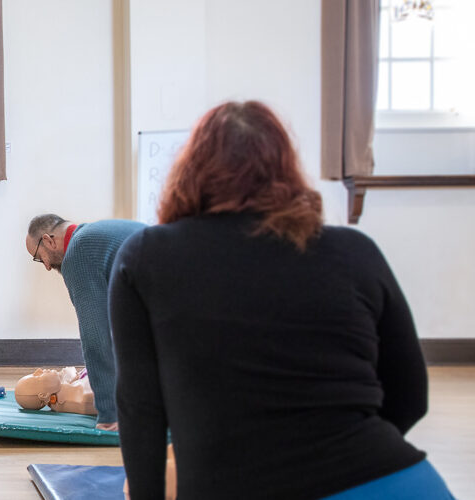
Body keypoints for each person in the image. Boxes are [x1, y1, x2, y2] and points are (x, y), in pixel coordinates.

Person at [109, 100, 452, 499]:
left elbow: (140, 411)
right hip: (397, 481)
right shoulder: (355, 250)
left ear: (189, 172)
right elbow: (411, 395)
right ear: (286, 170)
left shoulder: (146, 256)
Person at [25, 215, 144, 431]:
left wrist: (109, 415)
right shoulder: (94, 235)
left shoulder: (78, 252)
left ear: (48, 240)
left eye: (39, 257)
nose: (47, 267)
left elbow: (95, 336)